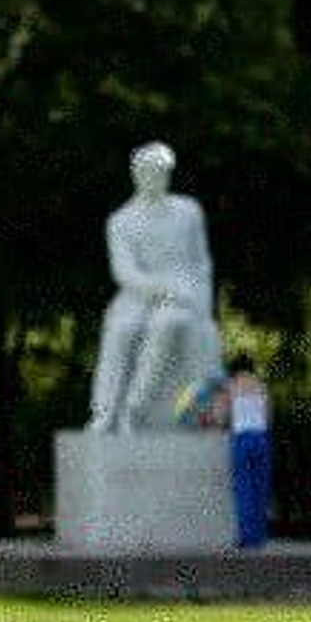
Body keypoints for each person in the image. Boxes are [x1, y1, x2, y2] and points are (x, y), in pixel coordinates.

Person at [88, 142, 224, 432]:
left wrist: (201, 301)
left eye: (163, 172)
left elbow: (201, 263)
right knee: (121, 331)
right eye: (150, 171)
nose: (158, 177)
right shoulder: (121, 221)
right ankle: (105, 413)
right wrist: (164, 290)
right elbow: (124, 272)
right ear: (136, 174)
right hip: (139, 294)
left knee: (171, 322)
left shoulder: (189, 211)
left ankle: (135, 407)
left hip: (184, 293)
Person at [224, 353, 272, 548]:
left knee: (244, 489)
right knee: (261, 488)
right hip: (261, 437)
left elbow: (221, 416)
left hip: (242, 438)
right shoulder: (262, 386)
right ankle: (260, 537)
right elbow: (268, 416)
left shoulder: (231, 386)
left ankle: (246, 537)